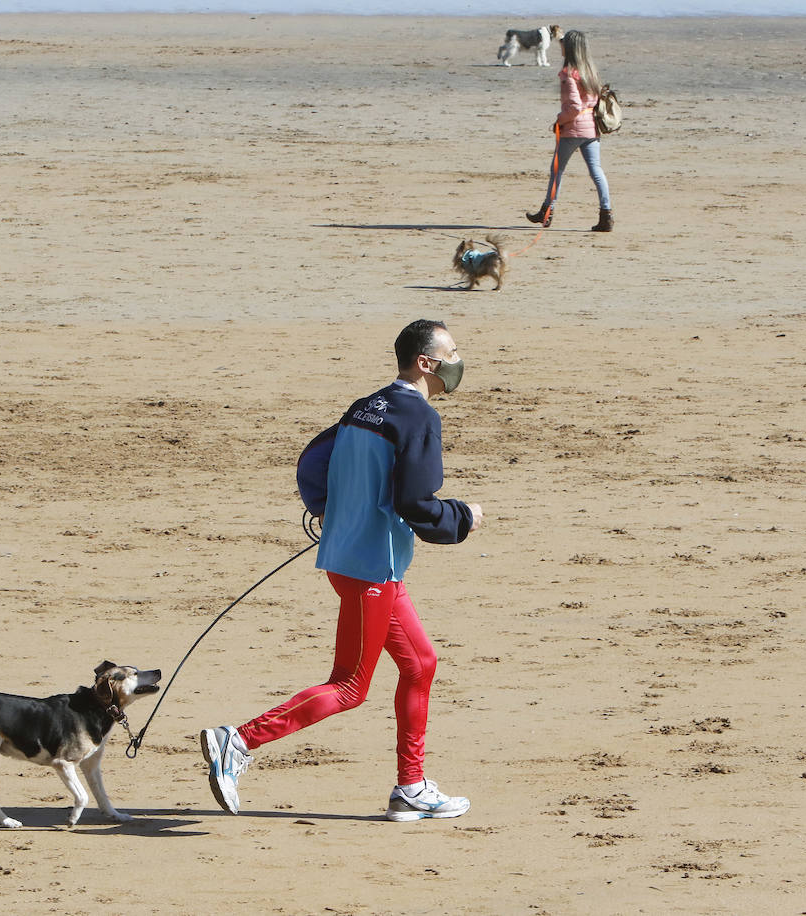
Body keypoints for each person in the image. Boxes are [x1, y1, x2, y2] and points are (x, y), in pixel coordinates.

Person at [200, 319, 484, 822]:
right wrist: (462, 517)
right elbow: (417, 505)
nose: (457, 360)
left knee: (421, 666)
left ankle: (411, 787)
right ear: (426, 363)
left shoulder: (365, 407)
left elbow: (312, 461)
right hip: (371, 568)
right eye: (452, 351)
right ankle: (238, 740)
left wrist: (330, 508)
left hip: (354, 560)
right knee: (350, 686)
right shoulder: (417, 418)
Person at [525, 29, 613, 232]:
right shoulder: (590, 72)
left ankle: (547, 211)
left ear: (571, 48)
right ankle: (606, 214)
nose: (561, 47)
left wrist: (559, 121)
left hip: (572, 131)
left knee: (557, 171)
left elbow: (574, 107)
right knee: (596, 171)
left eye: (563, 44)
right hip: (591, 130)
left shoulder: (568, 74)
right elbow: (593, 102)